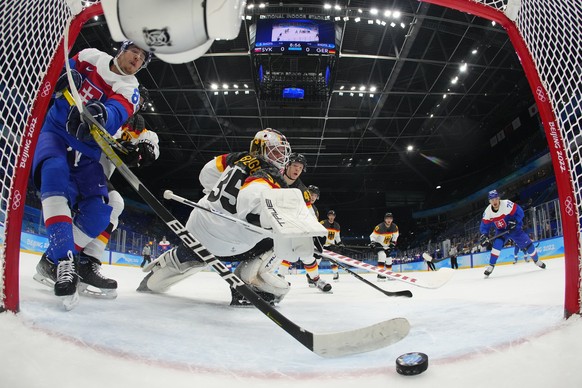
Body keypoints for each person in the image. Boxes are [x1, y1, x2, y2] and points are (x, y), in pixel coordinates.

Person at [137, 129, 320, 306]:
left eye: (283, 153)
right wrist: (292, 231)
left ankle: (164, 270)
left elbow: (206, 174)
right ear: (261, 148)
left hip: (196, 224)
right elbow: (249, 205)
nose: (281, 157)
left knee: (194, 250)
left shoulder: (237, 158)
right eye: (276, 151)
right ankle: (250, 281)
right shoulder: (271, 175)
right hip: (230, 243)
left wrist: (220, 198)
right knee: (278, 238)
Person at [32, 40, 152, 308]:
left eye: (142, 58)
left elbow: (118, 113)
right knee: (54, 175)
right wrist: (62, 76)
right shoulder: (90, 56)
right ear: (122, 49)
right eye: (135, 51)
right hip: (56, 135)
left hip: (88, 156)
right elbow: (59, 75)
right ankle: (64, 260)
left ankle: (75, 261)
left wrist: (139, 150)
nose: (137, 59)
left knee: (104, 210)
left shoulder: (130, 94)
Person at [277, 158, 331, 292]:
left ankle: (316, 279)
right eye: (295, 165)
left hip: (294, 228)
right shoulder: (274, 177)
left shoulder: (302, 191)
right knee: (276, 255)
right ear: (287, 165)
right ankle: (278, 277)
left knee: (306, 254)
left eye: (300, 168)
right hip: (274, 223)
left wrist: (314, 234)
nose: (297, 169)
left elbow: (309, 215)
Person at [480, 190, 546, 277]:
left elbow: (520, 212)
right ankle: (491, 266)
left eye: (495, 199)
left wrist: (515, 221)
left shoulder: (507, 204)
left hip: (514, 229)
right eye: (492, 200)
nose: (494, 201)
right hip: (501, 231)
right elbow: (484, 225)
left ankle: (536, 260)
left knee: (529, 245)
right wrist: (484, 235)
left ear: (499, 198)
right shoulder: (488, 211)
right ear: (489, 201)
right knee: (497, 245)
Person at [369, 212, 399, 281]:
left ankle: (389, 273)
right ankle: (380, 274)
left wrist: (393, 243)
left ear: (392, 219)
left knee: (389, 259)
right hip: (378, 244)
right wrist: (372, 243)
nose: (389, 220)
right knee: (382, 255)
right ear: (384, 219)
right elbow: (372, 236)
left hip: (387, 245)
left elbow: (395, 236)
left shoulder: (395, 227)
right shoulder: (379, 227)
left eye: (390, 218)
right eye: (387, 218)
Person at [320, 210, 343, 281]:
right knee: (317, 260)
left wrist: (339, 243)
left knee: (333, 261)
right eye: (330, 215)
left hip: (331, 246)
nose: (331, 217)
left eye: (333, 215)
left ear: (334, 216)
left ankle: (336, 274)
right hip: (321, 245)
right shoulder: (323, 223)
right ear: (328, 216)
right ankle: (313, 276)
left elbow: (337, 237)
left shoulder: (337, 225)